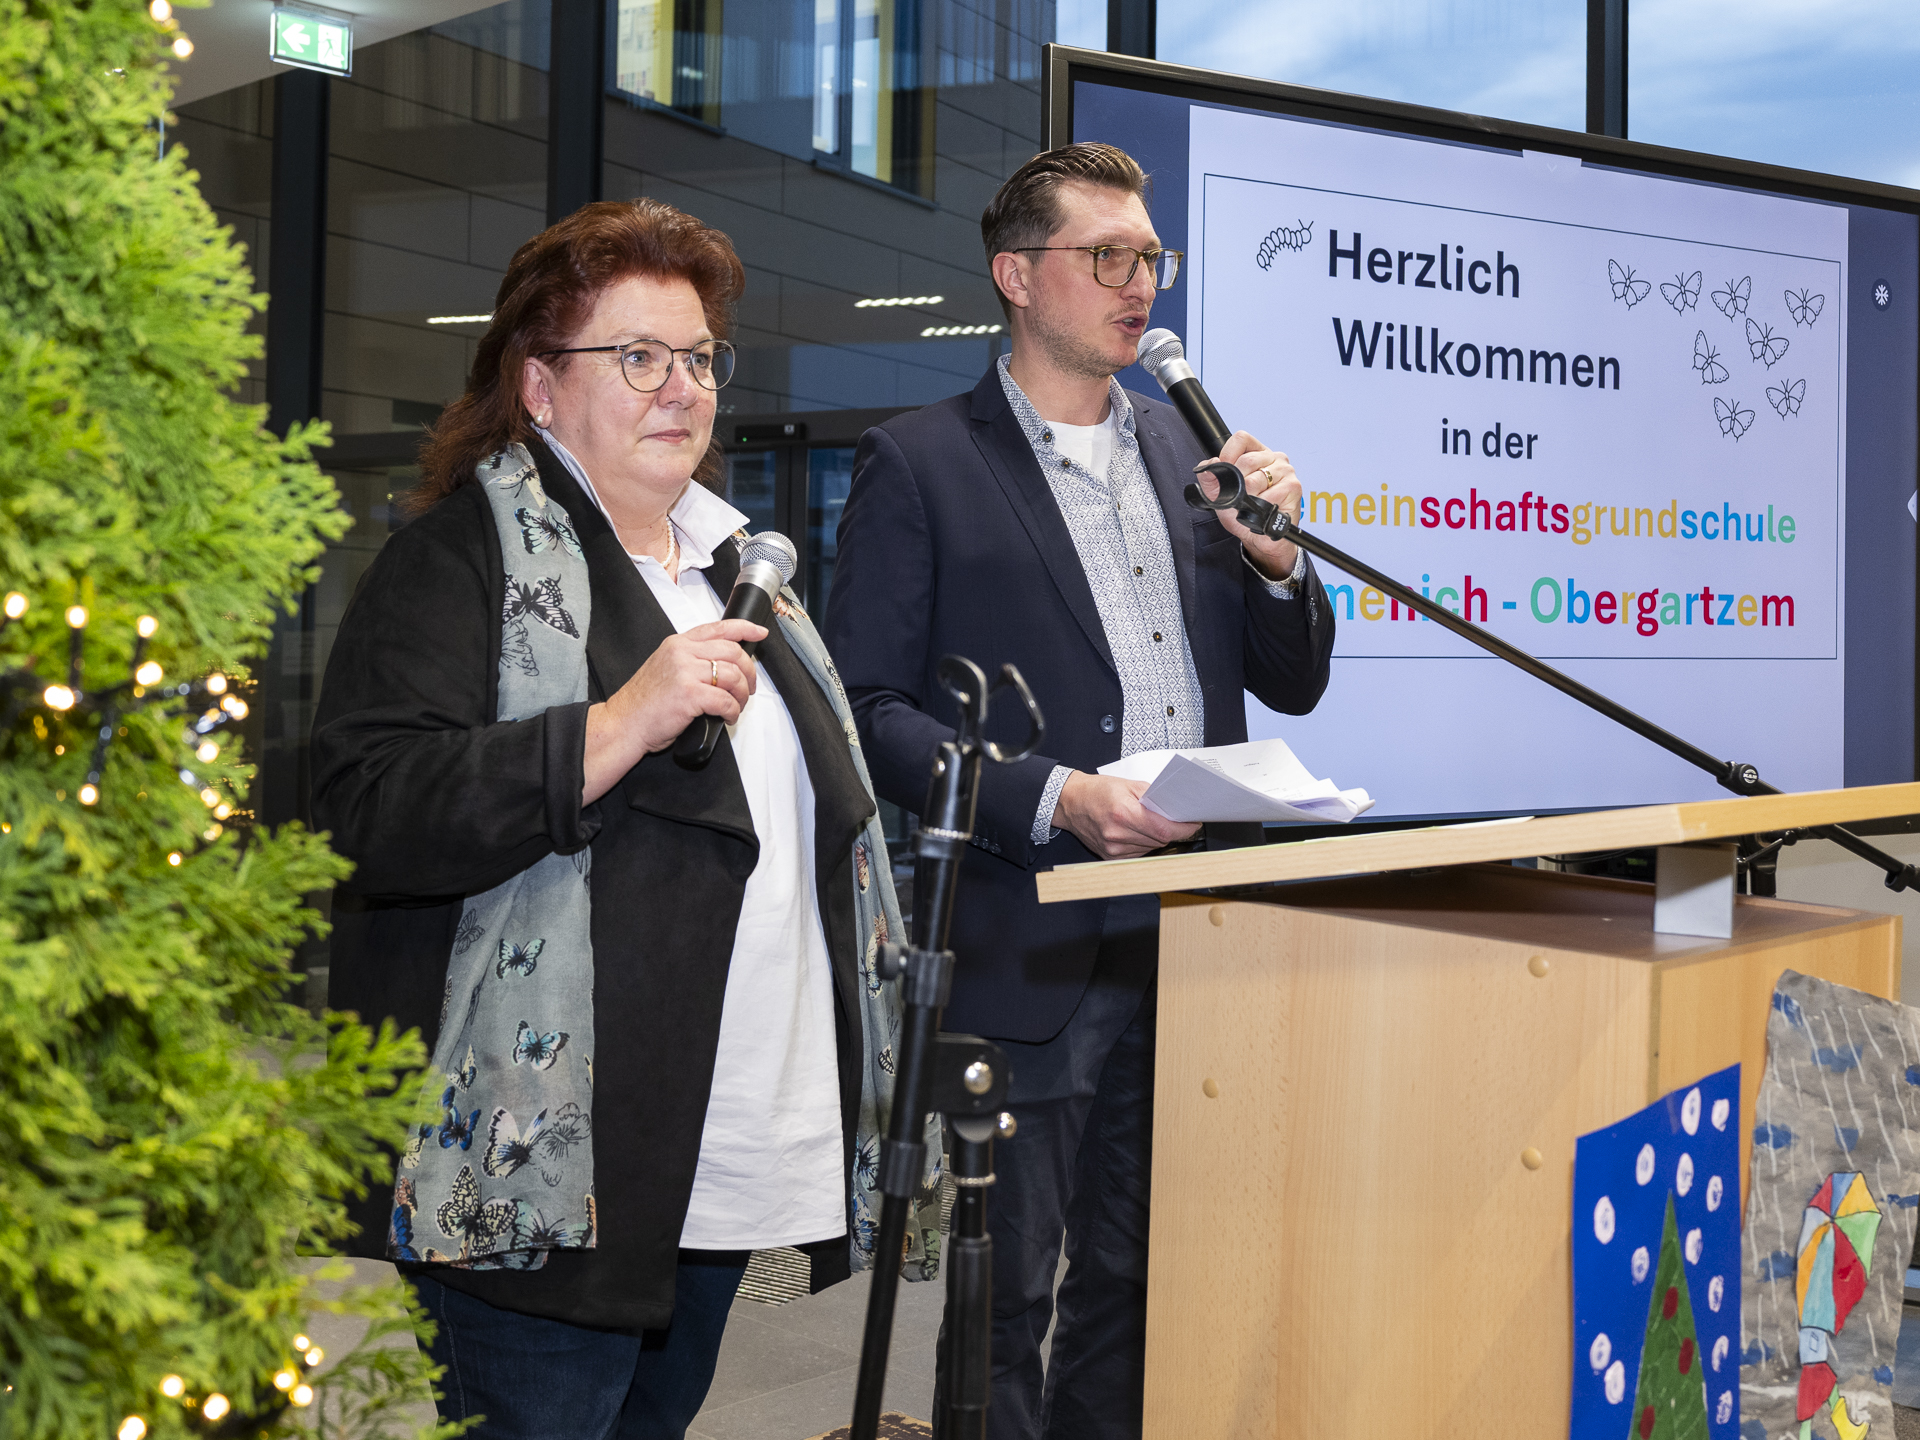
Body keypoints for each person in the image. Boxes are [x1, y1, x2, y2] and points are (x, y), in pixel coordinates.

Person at [312, 198, 925, 1437]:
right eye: (637, 357)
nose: (681, 388)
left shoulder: (741, 567)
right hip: (549, 1166)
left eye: (698, 358)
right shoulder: (458, 560)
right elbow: (368, 806)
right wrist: (616, 723)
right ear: (539, 386)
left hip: (721, 1147)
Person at [821, 142, 1337, 1439]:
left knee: (1142, 1284)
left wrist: (1278, 567)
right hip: (1027, 936)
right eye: (1106, 257)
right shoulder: (922, 464)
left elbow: (1295, 683)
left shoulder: (1191, 456)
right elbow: (867, 714)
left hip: (1192, 938)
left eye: (1149, 258)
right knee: (1008, 1300)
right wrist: (1053, 797)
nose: (1138, 283)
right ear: (1016, 275)